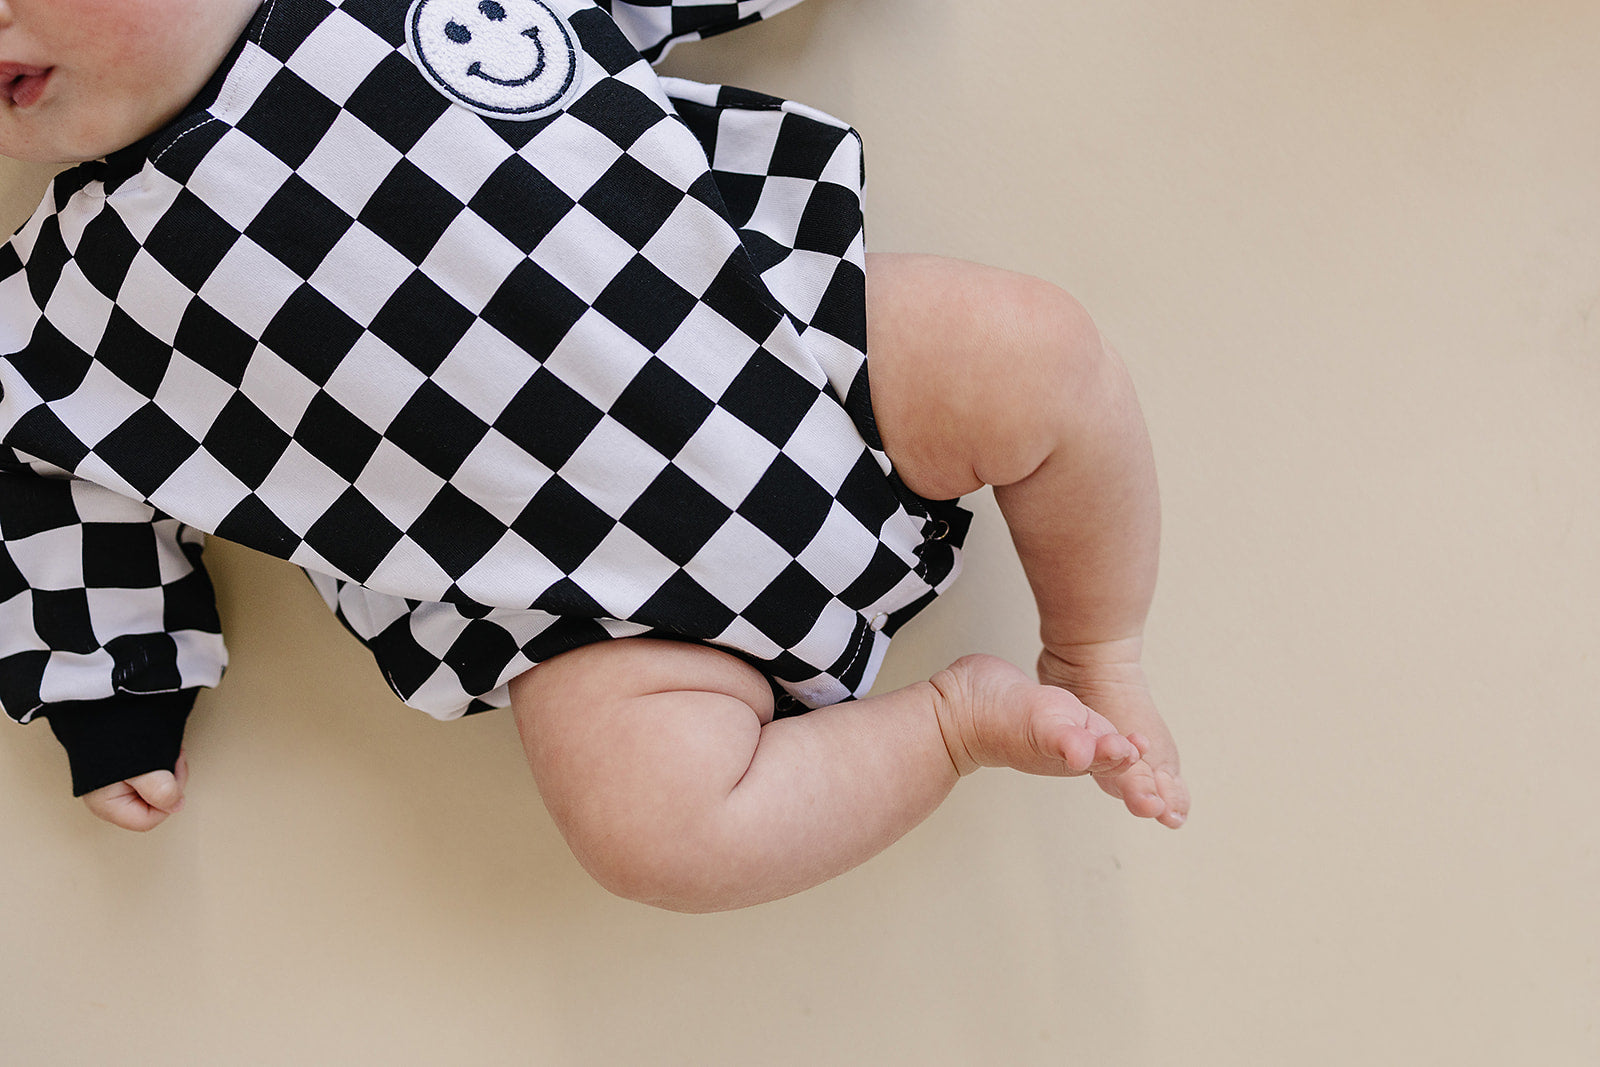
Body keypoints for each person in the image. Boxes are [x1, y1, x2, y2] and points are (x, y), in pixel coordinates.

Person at [0, 0, 1188, 910]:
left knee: (1034, 349)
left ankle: (1094, 643)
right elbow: (50, 489)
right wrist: (113, 695)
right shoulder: (52, 312)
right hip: (592, 615)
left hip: (793, 354)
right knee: (653, 832)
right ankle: (953, 725)